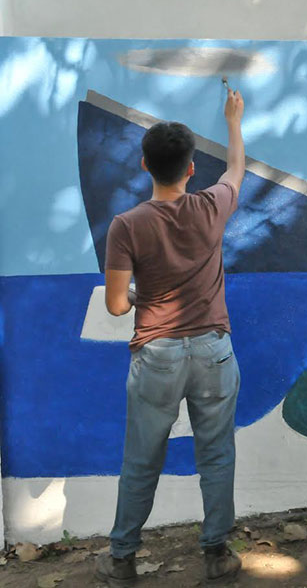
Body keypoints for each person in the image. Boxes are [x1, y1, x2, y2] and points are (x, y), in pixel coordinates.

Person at [95, 89, 246, 586]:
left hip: (157, 354)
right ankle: (217, 553)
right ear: (190, 169)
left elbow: (117, 305)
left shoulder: (127, 226)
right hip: (213, 352)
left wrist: (141, 295)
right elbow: (236, 171)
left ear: (144, 165)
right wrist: (233, 120)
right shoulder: (211, 207)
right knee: (217, 454)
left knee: (141, 459)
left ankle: (122, 559)